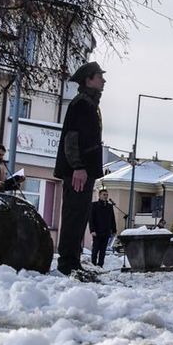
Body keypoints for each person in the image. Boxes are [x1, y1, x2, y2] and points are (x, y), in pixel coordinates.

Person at [54, 61, 106, 275]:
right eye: (99, 76)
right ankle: (67, 263)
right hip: (79, 171)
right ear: (88, 80)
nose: (103, 80)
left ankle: (73, 261)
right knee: (74, 214)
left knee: (80, 214)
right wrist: (78, 166)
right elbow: (72, 138)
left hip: (85, 169)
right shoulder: (81, 104)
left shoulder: (89, 104)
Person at [89, 188, 118, 268]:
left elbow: (112, 219)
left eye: (107, 195)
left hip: (106, 231)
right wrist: (92, 230)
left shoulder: (109, 206)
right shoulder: (94, 205)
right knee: (95, 249)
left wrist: (114, 229)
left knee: (103, 250)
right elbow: (91, 219)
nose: (106, 196)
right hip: (97, 231)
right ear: (99, 195)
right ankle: (93, 264)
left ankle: (100, 265)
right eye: (104, 195)